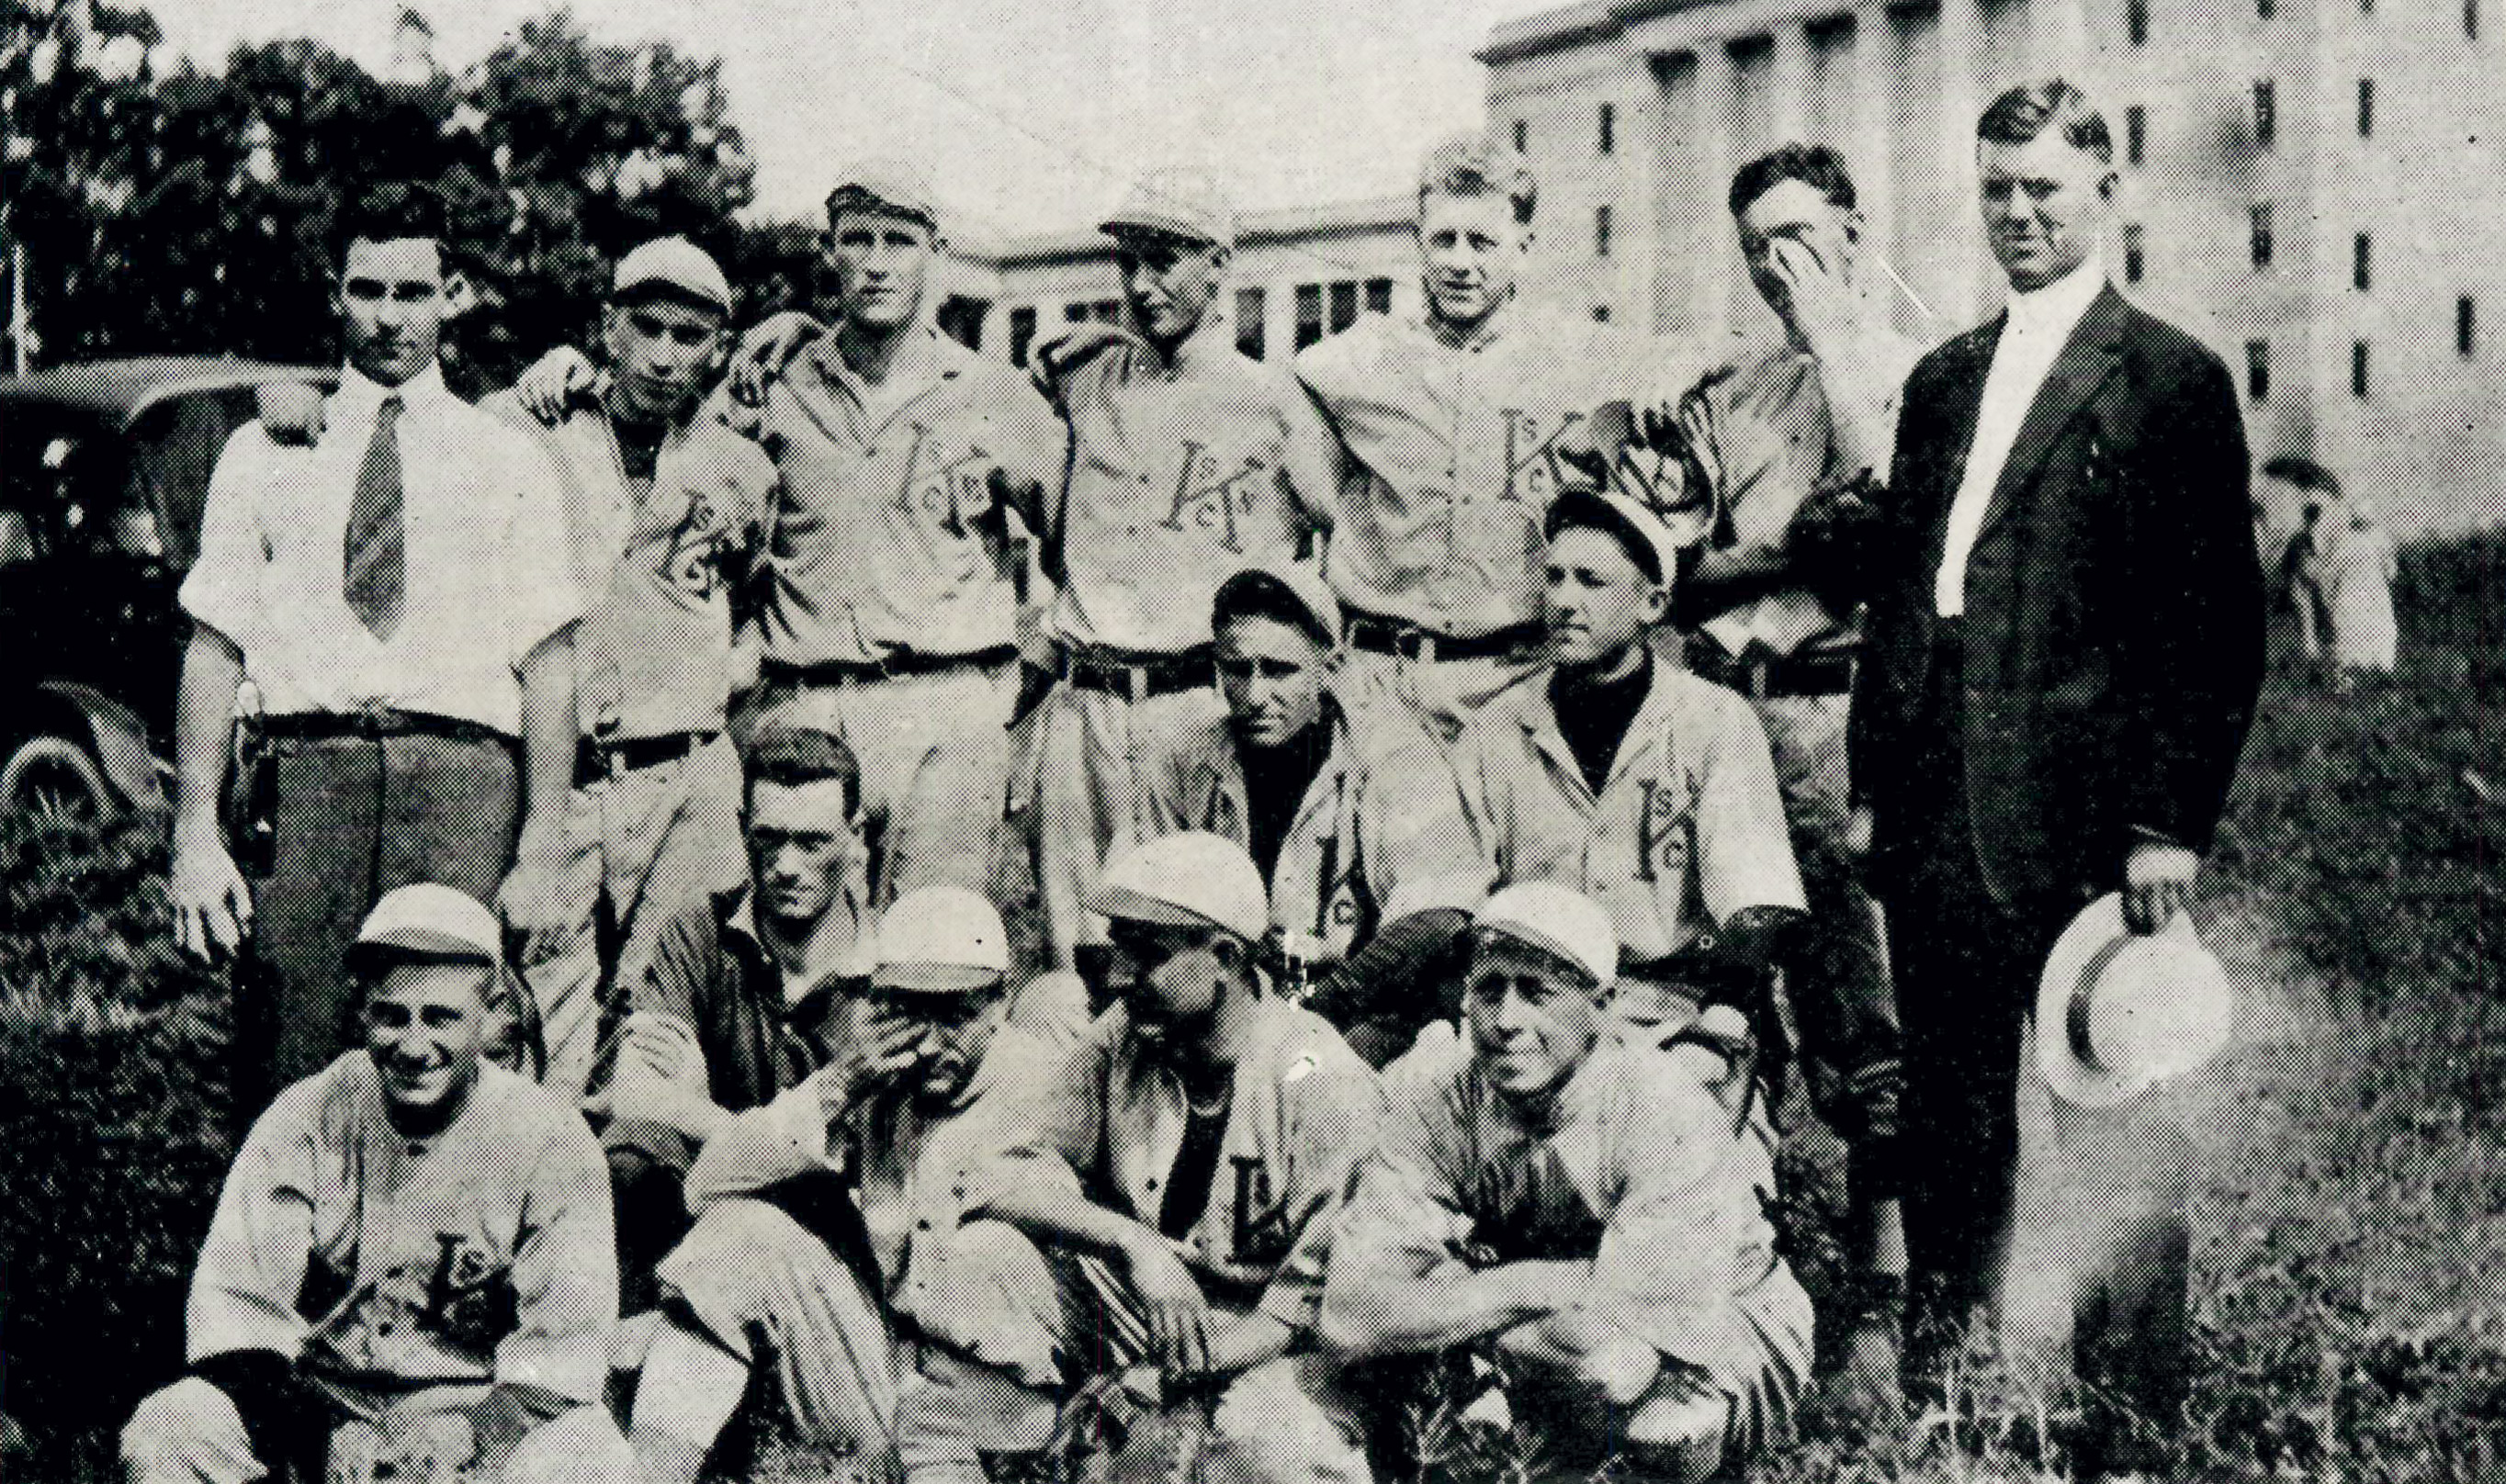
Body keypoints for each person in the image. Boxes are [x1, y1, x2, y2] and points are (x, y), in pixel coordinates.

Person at [1849, 81, 2265, 1476]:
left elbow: (2215, 627)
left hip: (2089, 827)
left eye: (2043, 189)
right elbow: (1906, 595)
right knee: (1951, 1127)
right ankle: (1948, 1411)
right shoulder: (1943, 379)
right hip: (1936, 815)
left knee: (2114, 1124)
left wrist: (2164, 824)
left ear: (2105, 193)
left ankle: (2127, 1431)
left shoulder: (2170, 378)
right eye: (1997, 190)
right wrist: (1874, 781)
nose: (2018, 214)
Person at [526, 162, 1067, 907]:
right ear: (829, 251)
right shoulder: (772, 381)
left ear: (936, 253)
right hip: (803, 705)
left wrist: (1016, 687)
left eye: (899, 242)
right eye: (857, 240)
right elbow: (669, 442)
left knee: (933, 942)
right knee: (797, 946)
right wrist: (573, 372)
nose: (876, 263)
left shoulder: (996, 396)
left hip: (950, 704)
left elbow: (1080, 550)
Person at [168, 181, 582, 1110]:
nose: (389, 317)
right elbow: (213, 647)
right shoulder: (265, 450)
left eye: (412, 291)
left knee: (461, 1061)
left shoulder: (506, 457)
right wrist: (194, 829)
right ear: (336, 294)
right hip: (308, 786)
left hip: (461, 786)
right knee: (292, 1064)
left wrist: (542, 845)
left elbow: (549, 665)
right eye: (368, 290)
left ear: (453, 295)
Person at [1647, 143, 1918, 1412]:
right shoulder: (1731, 391)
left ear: (1854, 232)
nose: (1776, 263)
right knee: (1712, 991)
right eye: (1757, 244)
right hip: (1723, 712)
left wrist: (1832, 336)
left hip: (1839, 712)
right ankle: (1718, 1277)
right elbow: (1674, 572)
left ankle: (1883, 1301)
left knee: (1867, 1009)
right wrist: (1776, 550)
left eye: (1800, 235)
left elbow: (1893, 531)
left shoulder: (1914, 366)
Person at [899, 832, 1384, 1484]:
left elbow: (1323, 1297)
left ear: (1224, 957)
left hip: (1273, 1344)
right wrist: (1135, 1244)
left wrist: (1167, 1375)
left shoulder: (1318, 1077)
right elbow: (1006, 1173)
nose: (1120, 977)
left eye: (1148, 954)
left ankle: (1131, 1438)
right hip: (1150, 1309)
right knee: (983, 1258)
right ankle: (1027, 1443)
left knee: (1265, 1441)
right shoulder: (1126, 1034)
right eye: (1119, 948)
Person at [121, 884, 626, 1484]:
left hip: (473, 1406)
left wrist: (471, 1433)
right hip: (321, 1401)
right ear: (361, 1009)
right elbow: (239, 1316)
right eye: (391, 1016)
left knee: (590, 1454)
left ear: (487, 1011)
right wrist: (318, 1433)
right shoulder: (308, 1116)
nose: (413, 1046)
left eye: (440, 1017)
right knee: (172, 1426)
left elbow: (562, 1352)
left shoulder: (551, 1139)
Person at [1321, 883, 1814, 1484]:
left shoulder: (1662, 1108)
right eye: (1489, 990)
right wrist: (1532, 1283)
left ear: (1600, 1007)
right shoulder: (1439, 1100)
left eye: (1536, 993)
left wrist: (1445, 1296)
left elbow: (1614, 1366)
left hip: (1725, 1314)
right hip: (1542, 1319)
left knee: (1659, 1428)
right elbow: (1347, 1316)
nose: (1505, 1021)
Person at [616, 883, 1059, 1484]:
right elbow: (707, 1185)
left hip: (1007, 1412)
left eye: (956, 1016)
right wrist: (837, 1086)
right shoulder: (877, 1081)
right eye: (908, 1015)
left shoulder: (1049, 1087)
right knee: (738, 1235)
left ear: (1001, 1001)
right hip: (888, 1379)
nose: (930, 1044)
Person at [1020, 170, 1342, 972]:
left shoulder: (1273, 402)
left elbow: (1345, 536)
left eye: (1164, 261)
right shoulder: (1080, 380)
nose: (1140, 285)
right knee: (1074, 955)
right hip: (1085, 709)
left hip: (1197, 710)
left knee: (1191, 951)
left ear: (1219, 264)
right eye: (1127, 263)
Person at [1295, 134, 1647, 748]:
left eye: (1482, 241)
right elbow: (1266, 408)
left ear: (1524, 246)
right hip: (1383, 681)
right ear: (1419, 242)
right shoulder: (1351, 361)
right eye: (1444, 239)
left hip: (1523, 679)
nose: (1460, 262)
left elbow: (1702, 363)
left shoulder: (1586, 358)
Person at [1453, 490, 1806, 1055]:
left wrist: (1722, 1022)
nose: (1564, 600)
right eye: (1555, 577)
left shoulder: (1714, 719)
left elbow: (1757, 900)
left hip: (1668, 1010)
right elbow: (1454, 899)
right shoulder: (1495, 727)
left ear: (1651, 603)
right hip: (1530, 1013)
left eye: (1590, 582)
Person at [1141, 560, 1489, 1064]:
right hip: (1227, 1005)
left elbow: (1439, 917)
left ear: (1330, 667)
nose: (1255, 695)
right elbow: (1148, 911)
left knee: (1317, 1077)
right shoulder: (1186, 758)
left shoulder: (1390, 752)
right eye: (1237, 670)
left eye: (1279, 671)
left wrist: (1317, 1015)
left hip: (1353, 1011)